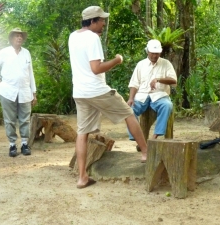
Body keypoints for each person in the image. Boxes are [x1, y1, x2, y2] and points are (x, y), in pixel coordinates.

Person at [68, 6, 148, 189]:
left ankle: (82, 177)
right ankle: (146, 152)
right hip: (96, 90)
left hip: (80, 92)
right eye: (101, 20)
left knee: (82, 132)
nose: (104, 23)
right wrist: (117, 60)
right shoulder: (93, 38)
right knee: (129, 113)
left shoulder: (73, 36)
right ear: (92, 21)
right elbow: (96, 68)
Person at [0, 28, 37, 157]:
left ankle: (25, 144)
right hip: (7, 91)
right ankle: (12, 145)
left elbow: (30, 73)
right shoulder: (4, 52)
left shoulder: (26, 53)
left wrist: (34, 93)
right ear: (11, 39)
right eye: (16, 36)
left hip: (25, 91)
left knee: (25, 119)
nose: (19, 38)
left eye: (21, 36)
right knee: (9, 120)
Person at [127, 39, 177, 142]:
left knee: (167, 105)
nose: (155, 56)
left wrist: (158, 79)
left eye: (157, 53)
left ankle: (155, 136)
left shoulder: (166, 63)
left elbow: (173, 81)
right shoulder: (141, 65)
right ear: (147, 52)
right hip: (142, 96)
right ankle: (137, 137)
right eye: (153, 53)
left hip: (160, 95)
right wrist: (131, 98)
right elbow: (134, 83)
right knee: (128, 110)